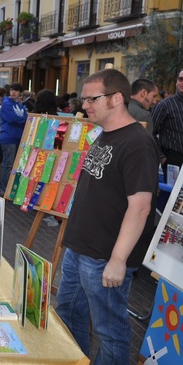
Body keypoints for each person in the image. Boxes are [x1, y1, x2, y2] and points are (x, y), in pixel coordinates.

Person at [56, 69, 158, 364]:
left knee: (110, 332)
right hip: (79, 249)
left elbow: (140, 207)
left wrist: (118, 260)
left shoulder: (138, 143)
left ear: (116, 99)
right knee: (68, 315)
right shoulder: (104, 135)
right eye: (83, 98)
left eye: (92, 99)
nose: (84, 105)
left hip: (104, 256)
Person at [0, 83, 28, 193]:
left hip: (18, 138)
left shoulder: (20, 106)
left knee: (15, 165)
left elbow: (25, 119)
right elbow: (12, 118)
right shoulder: (6, 103)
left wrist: (20, 120)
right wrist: (21, 120)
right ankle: (4, 189)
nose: (13, 92)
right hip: (8, 137)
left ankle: (11, 188)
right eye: (12, 90)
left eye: (16, 90)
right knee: (8, 164)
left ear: (20, 93)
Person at [152, 69, 183, 172]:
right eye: (181, 79)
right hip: (173, 160)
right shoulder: (164, 105)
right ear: (176, 83)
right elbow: (150, 132)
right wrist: (162, 158)